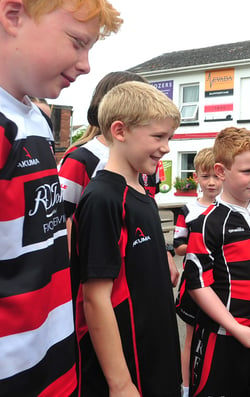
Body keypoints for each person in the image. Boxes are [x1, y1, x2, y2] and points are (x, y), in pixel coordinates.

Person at [0, 0, 121, 394]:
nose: (86, 64)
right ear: (13, 16)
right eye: (77, 41)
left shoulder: (33, 119)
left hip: (52, 364)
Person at [71, 81, 182, 396]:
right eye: (158, 137)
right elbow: (94, 298)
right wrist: (120, 383)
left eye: (169, 137)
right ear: (119, 131)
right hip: (127, 373)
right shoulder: (103, 198)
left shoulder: (142, 192)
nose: (166, 147)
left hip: (156, 360)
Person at [183, 127, 250, 397]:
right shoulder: (206, 222)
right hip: (220, 337)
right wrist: (233, 327)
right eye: (247, 172)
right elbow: (198, 285)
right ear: (221, 171)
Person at [58, 70, 178, 281]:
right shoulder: (81, 158)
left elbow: (148, 213)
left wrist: (164, 252)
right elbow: (60, 219)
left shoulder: (149, 161)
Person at [173, 147, 222, 397]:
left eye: (216, 176)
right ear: (196, 177)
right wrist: (200, 241)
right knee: (191, 341)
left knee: (220, 338)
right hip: (194, 283)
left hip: (223, 284)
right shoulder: (188, 209)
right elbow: (178, 246)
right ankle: (185, 388)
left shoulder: (231, 207)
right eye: (206, 176)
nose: (211, 182)